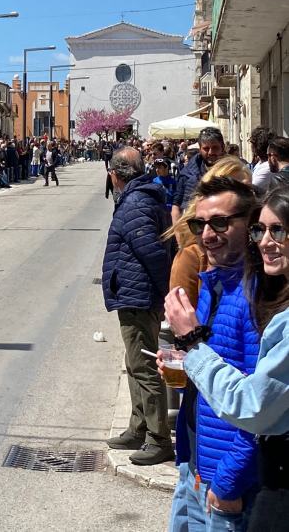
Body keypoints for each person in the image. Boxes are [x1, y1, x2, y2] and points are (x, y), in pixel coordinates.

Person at [163, 188, 289, 531]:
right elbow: (216, 369)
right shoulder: (214, 283)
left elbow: (259, 409)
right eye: (200, 223)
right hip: (196, 466)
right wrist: (184, 360)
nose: (207, 234)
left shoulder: (258, 299)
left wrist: (228, 481)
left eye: (219, 223)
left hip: (225, 483)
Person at [102, 148, 174, 466]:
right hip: (133, 293)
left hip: (139, 296)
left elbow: (154, 254)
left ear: (117, 174)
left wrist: (167, 294)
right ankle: (138, 426)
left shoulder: (135, 203)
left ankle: (158, 439)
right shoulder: (138, 198)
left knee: (144, 368)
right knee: (134, 364)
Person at [166, 155, 252, 309]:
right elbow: (183, 319)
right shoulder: (191, 256)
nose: (207, 235)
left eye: (247, 191)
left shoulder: (261, 251)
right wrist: (193, 332)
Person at [172, 127, 226, 223]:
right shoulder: (187, 173)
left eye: (215, 148)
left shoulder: (235, 171)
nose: (211, 152)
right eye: (206, 148)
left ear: (223, 147)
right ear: (200, 149)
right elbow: (176, 205)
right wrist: (178, 233)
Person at [250, 126, 275, 193]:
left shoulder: (268, 167)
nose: (250, 146)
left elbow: (251, 189)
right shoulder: (260, 162)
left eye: (251, 142)